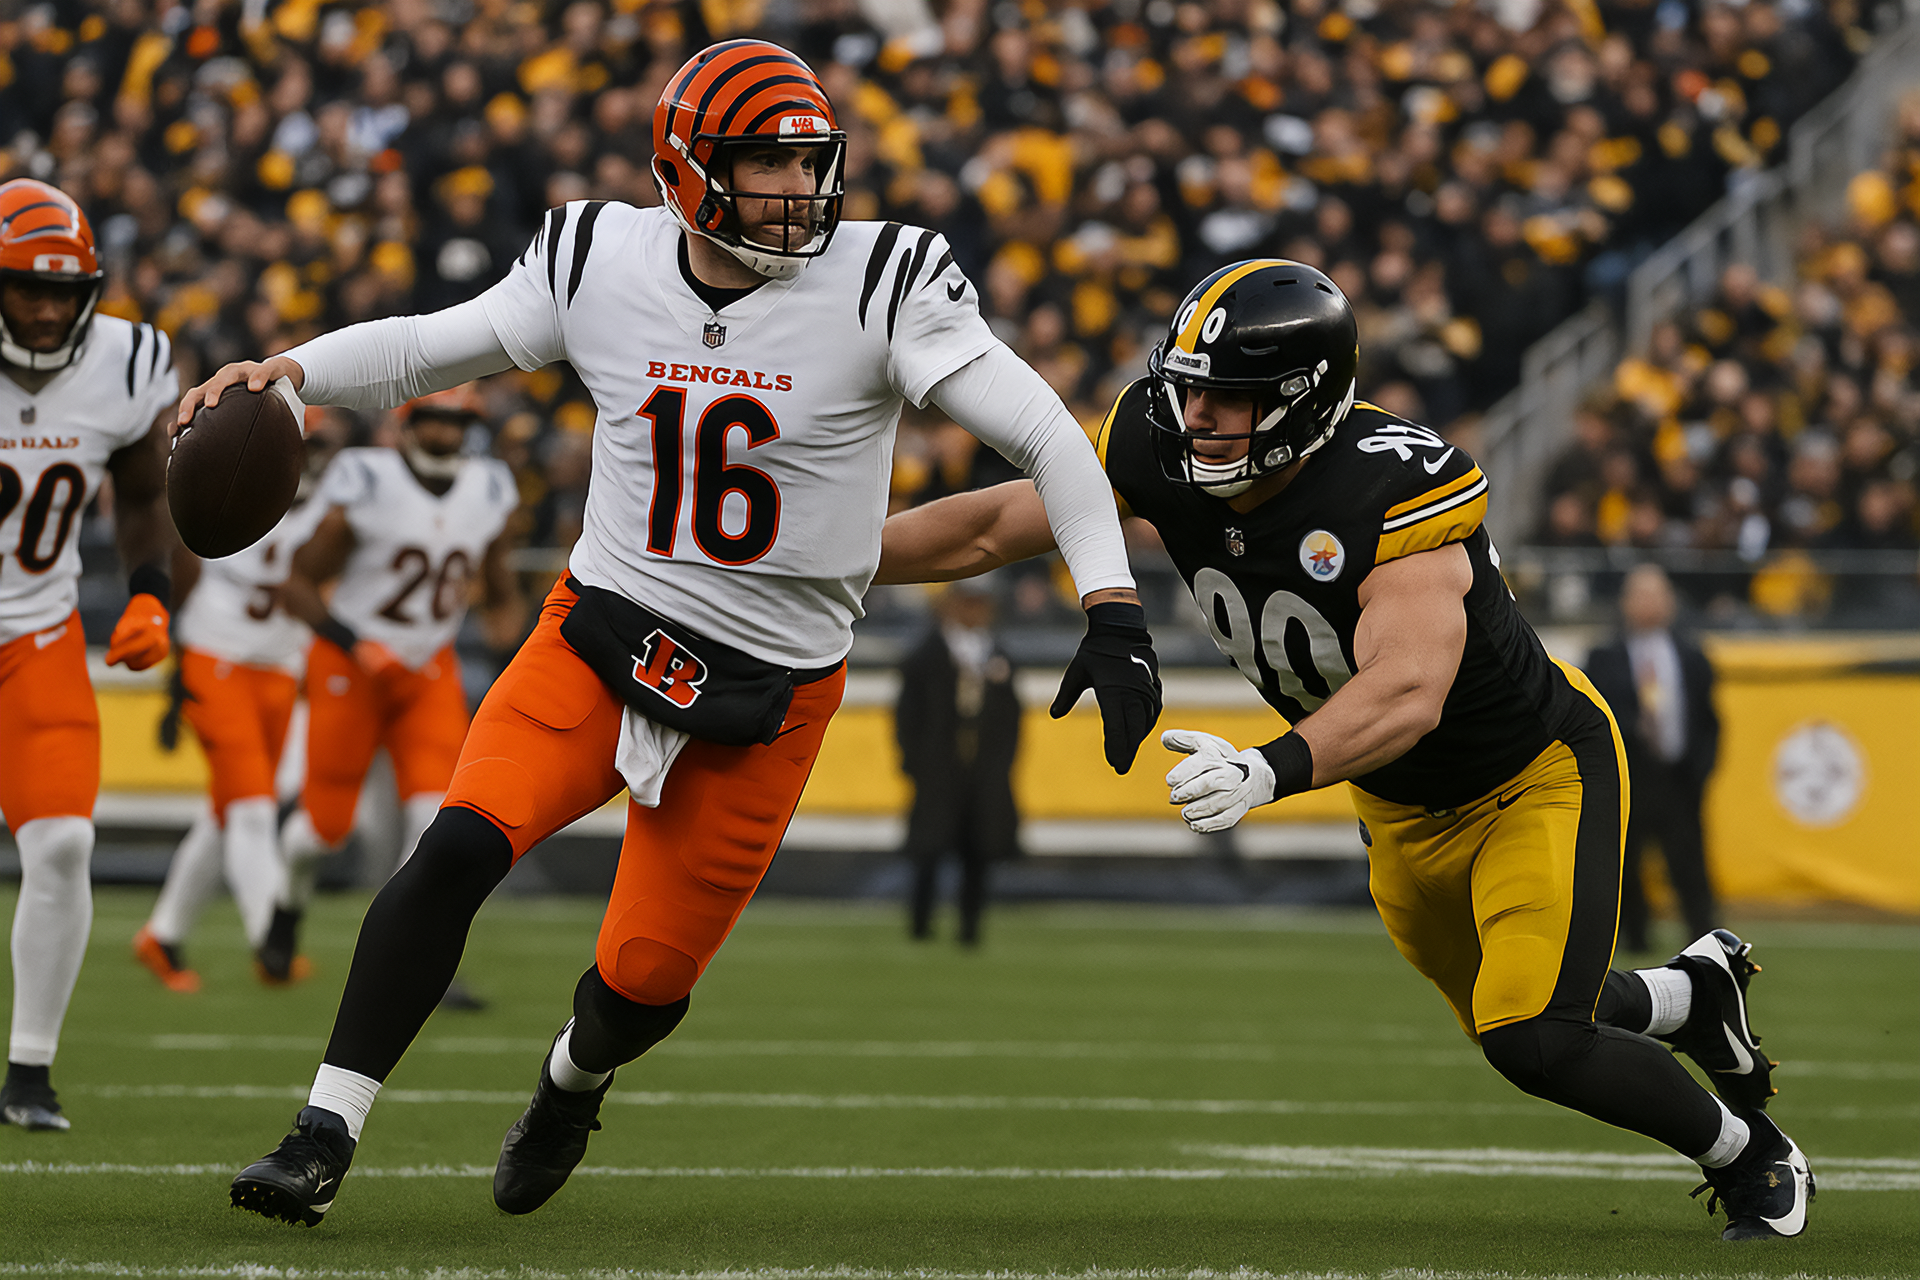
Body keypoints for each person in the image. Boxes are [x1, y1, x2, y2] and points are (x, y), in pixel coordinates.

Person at [179, 39, 1158, 1226]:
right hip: (598, 633)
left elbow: (1052, 437)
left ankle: (569, 1081)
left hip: (771, 693)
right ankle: (321, 1130)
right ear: (687, 169)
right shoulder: (599, 255)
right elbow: (433, 345)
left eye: (807, 165)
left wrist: (1111, 604)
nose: (797, 193)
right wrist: (291, 371)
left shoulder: (883, 279)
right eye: (765, 167)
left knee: (643, 978)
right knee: (454, 851)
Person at [876, 259, 1811, 1242]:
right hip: (1399, 808)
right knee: (1520, 1006)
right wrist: (817, 559)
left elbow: (1407, 690)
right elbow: (987, 529)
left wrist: (1267, 766)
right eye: (1191, 388)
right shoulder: (1162, 443)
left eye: (1227, 399)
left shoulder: (1395, 489)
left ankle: (1752, 1154)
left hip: (1530, 775)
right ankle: (1690, 995)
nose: (1196, 417)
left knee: (1532, 1032)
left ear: (1303, 400)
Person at [0, 179, 179, 1130]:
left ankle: (29, 1071)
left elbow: (144, 495)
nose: (45, 309)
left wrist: (150, 593)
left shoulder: (128, 358)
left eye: (64, 293)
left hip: (36, 629)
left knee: (64, 842)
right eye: (26, 288)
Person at [270, 384, 523, 983]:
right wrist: (356, 644)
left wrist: (511, 648)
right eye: (433, 418)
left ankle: (419, 956)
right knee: (324, 832)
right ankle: (287, 905)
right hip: (352, 665)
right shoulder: (368, 478)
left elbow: (502, 589)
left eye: (456, 421)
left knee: (438, 817)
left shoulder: (489, 488)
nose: (444, 432)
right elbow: (297, 583)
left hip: (428, 667)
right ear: (409, 422)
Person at [133, 433, 334, 992]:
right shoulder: (225, 485)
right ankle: (269, 939)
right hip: (216, 657)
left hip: (278, 666)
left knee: (227, 812)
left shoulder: (333, 502)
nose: (306, 456)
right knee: (251, 807)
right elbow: (182, 565)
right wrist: (176, 668)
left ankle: (162, 935)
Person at [1583, 564, 1722, 954]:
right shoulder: (1603, 656)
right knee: (1626, 867)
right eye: (1640, 595)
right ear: (1625, 603)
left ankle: (1707, 947)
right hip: (1629, 778)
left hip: (1679, 778)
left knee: (1691, 868)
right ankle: (1635, 943)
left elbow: (1709, 721)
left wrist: (1701, 770)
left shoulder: (1692, 655)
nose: (1649, 604)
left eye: (1657, 595)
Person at [896, 577, 1021, 946]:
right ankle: (920, 926)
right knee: (929, 850)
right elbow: (907, 717)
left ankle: (970, 928)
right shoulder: (926, 656)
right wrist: (916, 764)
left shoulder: (997, 654)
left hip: (982, 771)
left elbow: (1011, 718)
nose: (974, 611)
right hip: (939, 769)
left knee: (978, 851)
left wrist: (1000, 766)